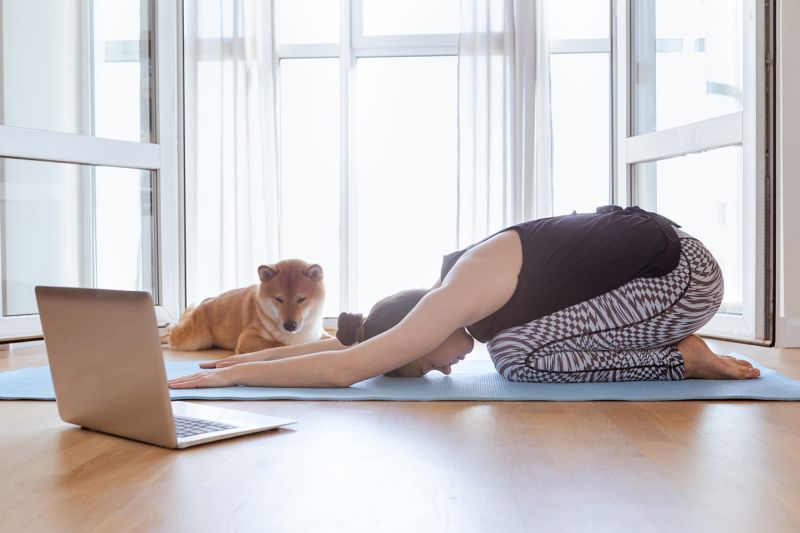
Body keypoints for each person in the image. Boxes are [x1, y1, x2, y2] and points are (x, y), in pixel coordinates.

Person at [168, 205, 760, 390]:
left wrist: (228, 378)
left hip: (685, 275)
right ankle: (675, 348)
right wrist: (242, 359)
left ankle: (683, 357)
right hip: (659, 271)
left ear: (420, 330)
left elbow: (346, 366)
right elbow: (340, 348)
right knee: (514, 348)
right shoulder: (469, 296)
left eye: (427, 360)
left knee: (521, 358)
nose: (445, 365)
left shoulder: (456, 296)